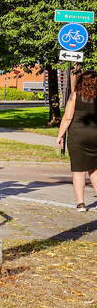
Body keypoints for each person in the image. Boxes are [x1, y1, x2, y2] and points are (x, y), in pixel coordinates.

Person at [57, 70, 97, 211]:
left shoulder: (75, 96)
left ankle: (81, 203)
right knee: (95, 170)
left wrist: (60, 135)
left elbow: (67, 117)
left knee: (79, 171)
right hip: (95, 135)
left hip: (78, 135)